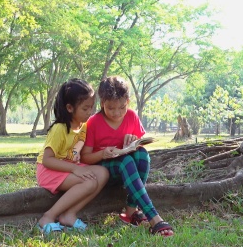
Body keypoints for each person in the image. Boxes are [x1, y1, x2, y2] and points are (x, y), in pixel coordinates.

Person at [81, 76, 174, 237]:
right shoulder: (94, 122)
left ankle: (131, 210)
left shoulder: (131, 116)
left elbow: (140, 146)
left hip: (127, 168)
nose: (117, 113)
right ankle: (154, 218)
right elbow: (85, 157)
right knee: (126, 160)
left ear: (128, 102)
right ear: (102, 103)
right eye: (110, 108)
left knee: (142, 155)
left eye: (122, 107)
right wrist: (103, 153)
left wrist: (133, 141)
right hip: (104, 171)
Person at [36, 78, 109, 234]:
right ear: (70, 108)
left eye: (91, 108)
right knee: (89, 182)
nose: (90, 113)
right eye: (85, 108)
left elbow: (81, 153)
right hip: (49, 170)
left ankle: (68, 215)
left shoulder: (83, 126)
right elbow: (47, 160)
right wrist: (76, 169)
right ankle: (48, 216)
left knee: (102, 173)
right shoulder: (59, 129)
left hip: (68, 167)